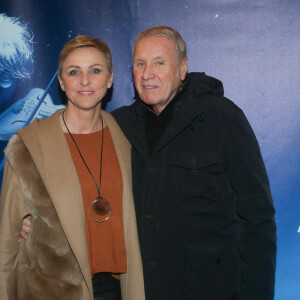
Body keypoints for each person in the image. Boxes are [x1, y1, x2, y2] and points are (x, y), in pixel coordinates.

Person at [112, 26, 277, 300]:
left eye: (159, 63)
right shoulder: (120, 125)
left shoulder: (223, 118)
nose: (147, 73)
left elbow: (257, 218)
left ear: (182, 68)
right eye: (140, 64)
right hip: (141, 291)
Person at [0, 35, 145, 300]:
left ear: (110, 79)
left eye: (95, 70)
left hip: (114, 287)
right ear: (61, 81)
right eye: (74, 72)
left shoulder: (128, 137)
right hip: (50, 290)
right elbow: (6, 242)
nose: (85, 81)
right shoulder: (28, 146)